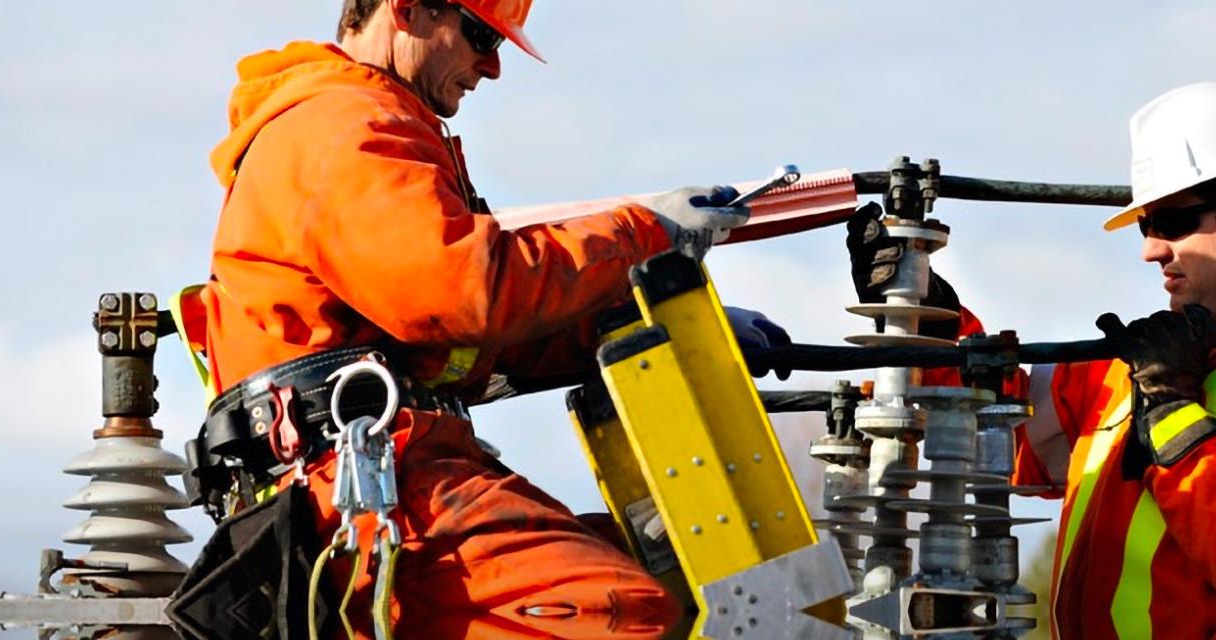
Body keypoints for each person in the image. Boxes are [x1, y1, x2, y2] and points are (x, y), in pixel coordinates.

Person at [179, 1, 784, 636]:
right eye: (479, 35)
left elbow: (482, 344)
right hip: (360, 492)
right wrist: (642, 235)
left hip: (395, 472)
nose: (491, 66)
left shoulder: (375, 126)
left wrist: (652, 323)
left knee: (688, 582)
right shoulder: (341, 127)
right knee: (619, 612)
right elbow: (459, 293)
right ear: (407, 10)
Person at [848, 82, 1216, 638]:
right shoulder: (1136, 366)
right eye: (1145, 226)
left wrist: (1173, 418)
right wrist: (930, 321)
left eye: (1174, 223)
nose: (1150, 250)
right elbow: (997, 436)